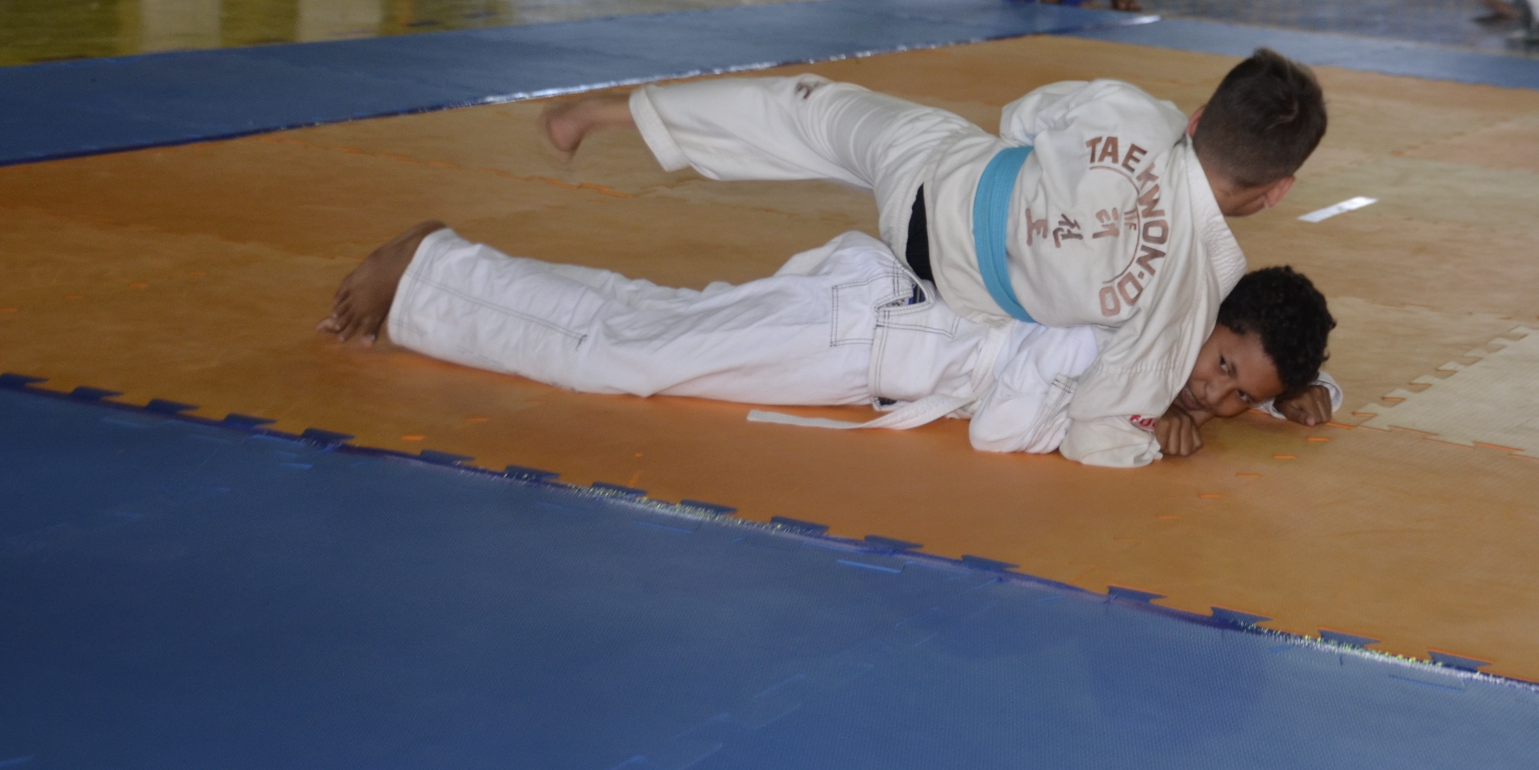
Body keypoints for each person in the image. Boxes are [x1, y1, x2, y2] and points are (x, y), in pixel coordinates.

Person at [532, 45, 1332, 467]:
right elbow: (1101, 435)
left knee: (806, 111)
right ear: (1277, 192)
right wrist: (1151, 434)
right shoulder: (1183, 297)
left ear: (1198, 116)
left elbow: (1023, 116)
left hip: (938, 169)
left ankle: (608, 115)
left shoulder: (1136, 110)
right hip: (948, 283)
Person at [320, 221, 1340, 461]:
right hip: (855, 332)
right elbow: (1009, 429)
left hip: (867, 325)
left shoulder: (1173, 334)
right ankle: (422, 277)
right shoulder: (1126, 334)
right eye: (1220, 366)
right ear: (1209, 318)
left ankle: (449, 266)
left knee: (648, 318)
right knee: (620, 358)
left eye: (1238, 396)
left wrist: (1311, 395)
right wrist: (1130, 421)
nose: (1214, 396)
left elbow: (1266, 361)